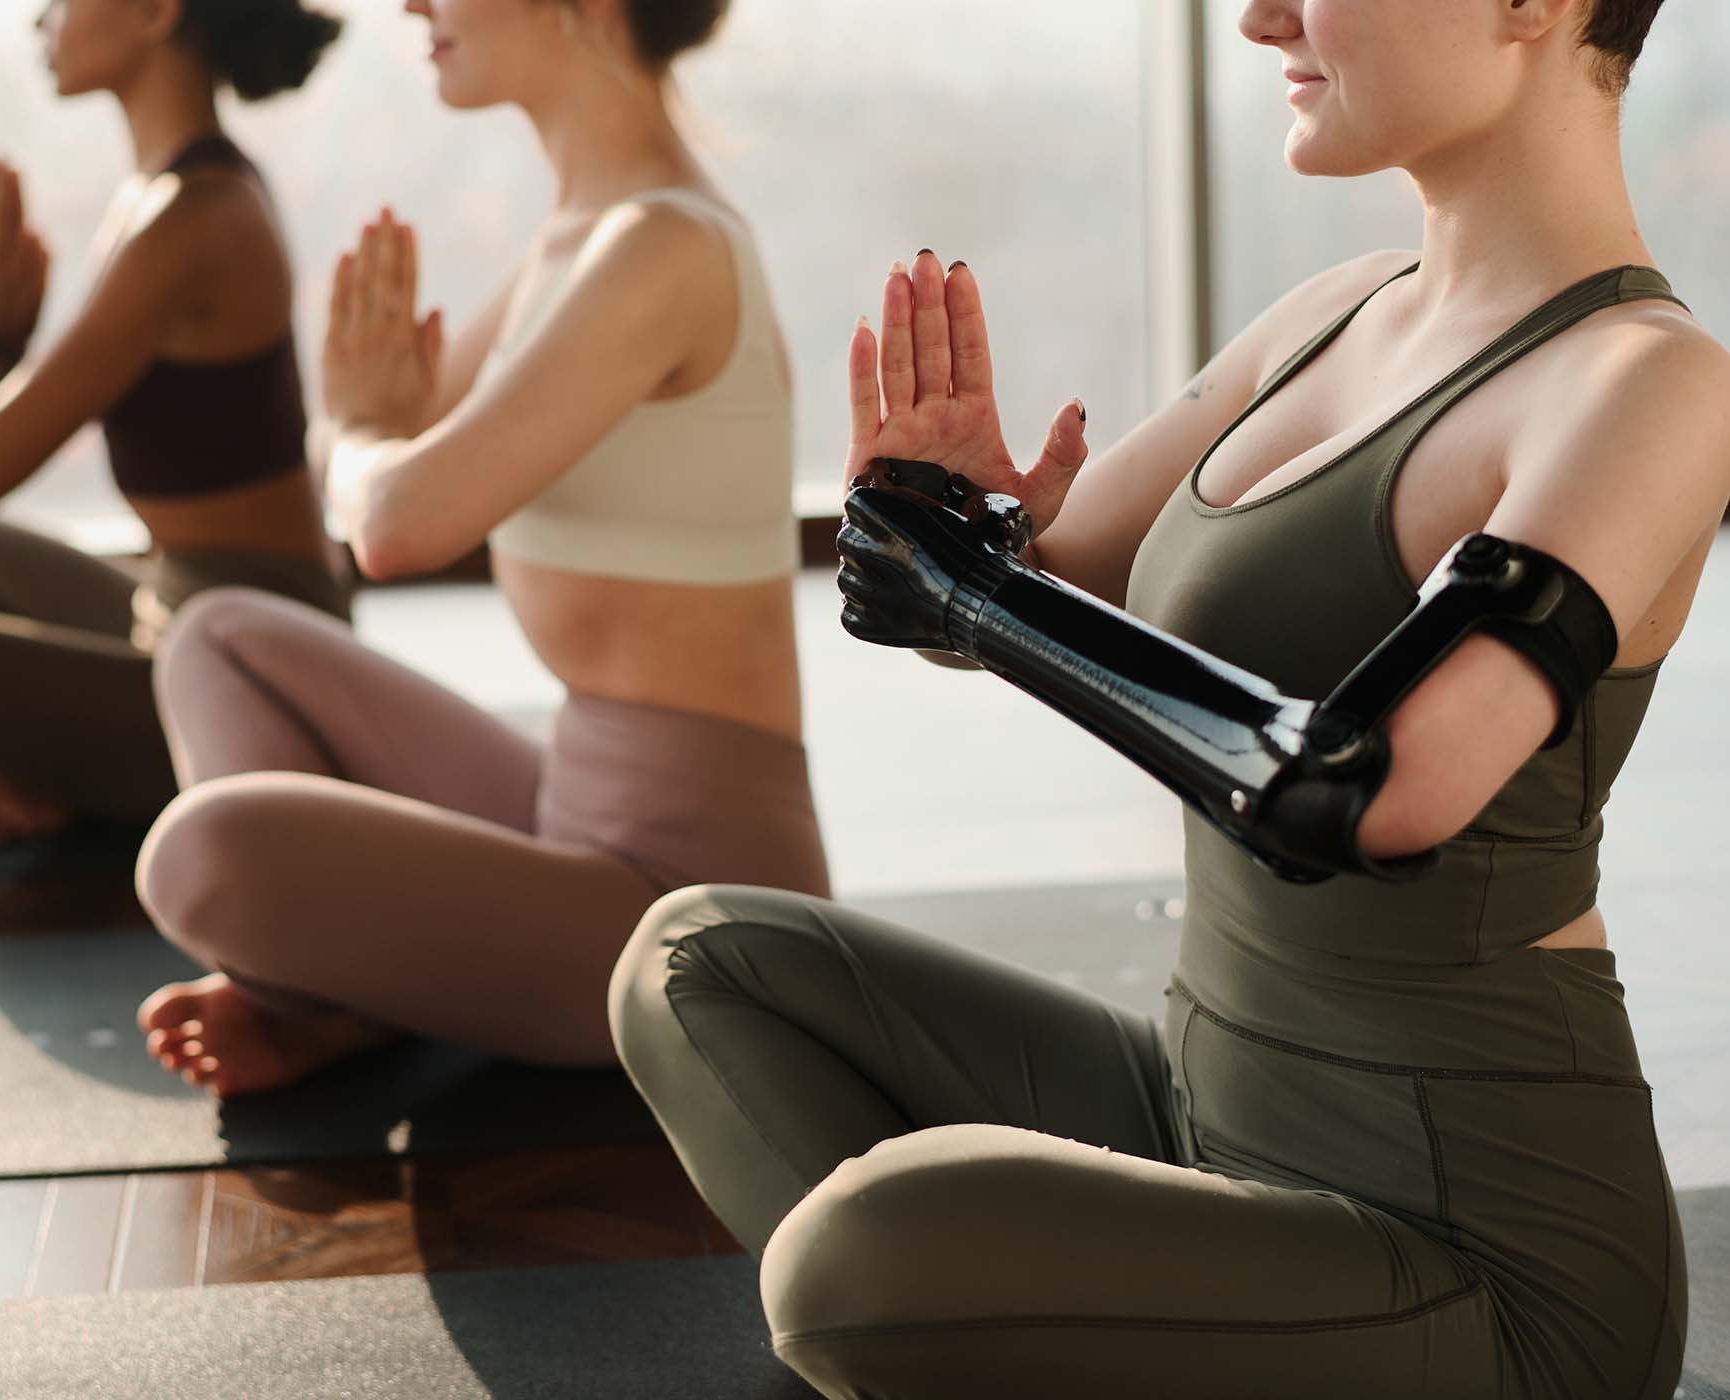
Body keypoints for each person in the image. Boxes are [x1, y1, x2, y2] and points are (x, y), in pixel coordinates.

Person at [611, 1, 1726, 1395]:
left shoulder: (1651, 385)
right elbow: (1034, 600)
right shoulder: (1335, 315)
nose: (1259, 16)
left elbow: (1367, 785)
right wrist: (943, 517)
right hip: (1205, 1112)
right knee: (696, 962)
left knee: (855, 1257)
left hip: (1481, 1253)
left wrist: (970, 589)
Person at [131, 0, 831, 1095]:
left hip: (695, 913)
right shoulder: (582, 236)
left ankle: (328, 996)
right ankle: (332, 993)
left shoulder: (666, 246)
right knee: (218, 637)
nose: (412, 3)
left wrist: (358, 435)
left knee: (200, 851)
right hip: (573, 804)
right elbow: (385, 468)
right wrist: (368, 437)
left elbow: (395, 517)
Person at [0, 0, 352, 843]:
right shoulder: (164, 194)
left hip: (257, 679)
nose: (40, 20)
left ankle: (80, 789)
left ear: (152, 12)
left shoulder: (193, 218)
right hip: (172, 612)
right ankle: (61, 778)